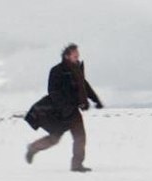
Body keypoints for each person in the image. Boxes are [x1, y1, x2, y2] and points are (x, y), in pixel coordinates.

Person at [24, 43, 103, 171]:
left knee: (80, 137)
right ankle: (33, 148)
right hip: (58, 112)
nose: (77, 57)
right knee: (54, 138)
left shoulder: (77, 70)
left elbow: (85, 86)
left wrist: (96, 100)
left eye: (78, 55)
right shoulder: (57, 71)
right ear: (67, 56)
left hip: (73, 110)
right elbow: (53, 91)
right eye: (75, 55)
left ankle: (77, 165)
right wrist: (65, 107)